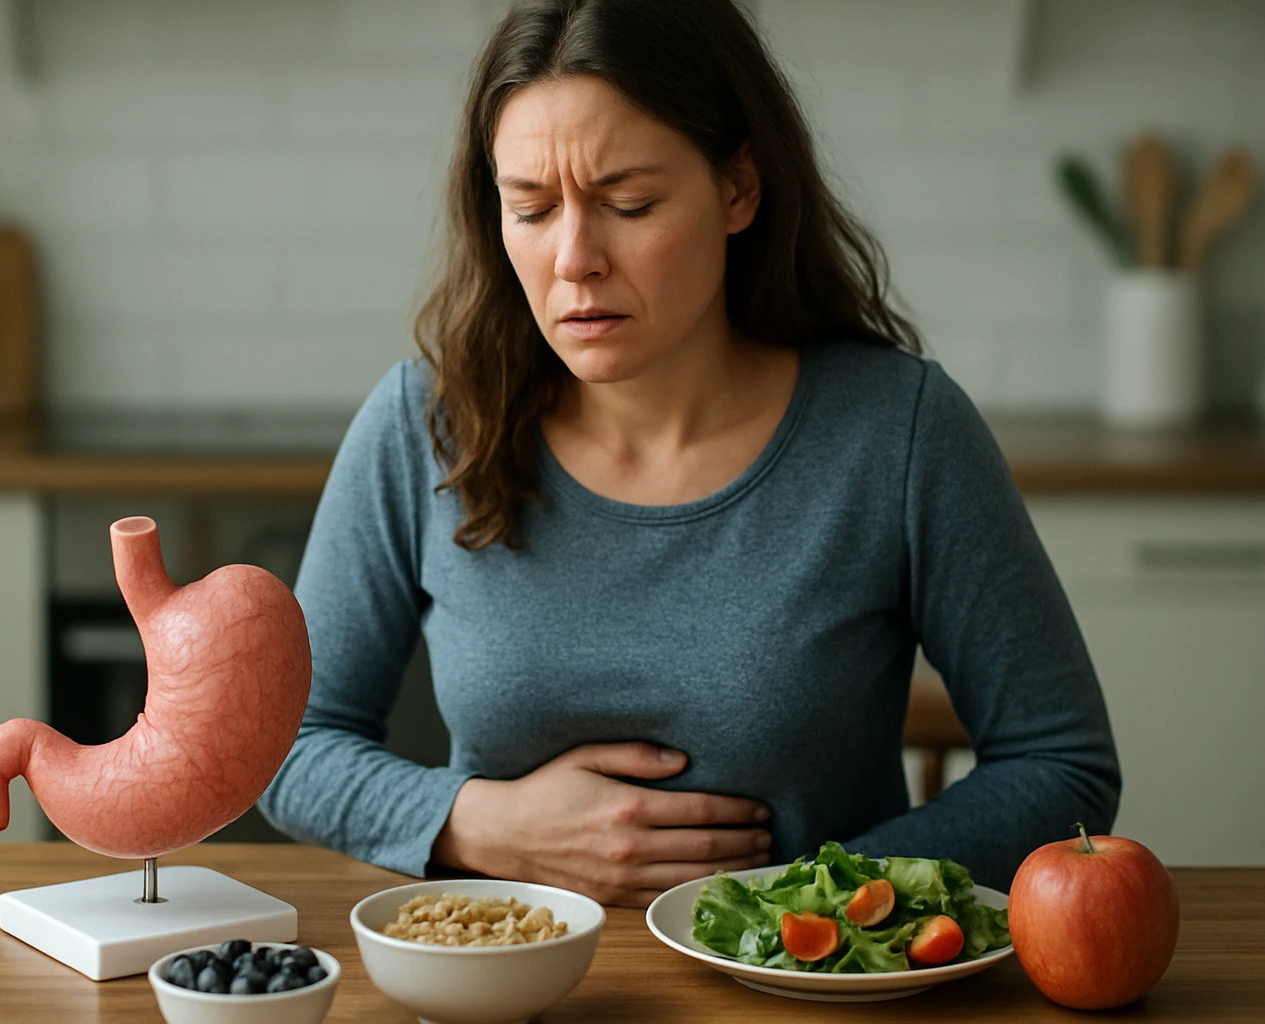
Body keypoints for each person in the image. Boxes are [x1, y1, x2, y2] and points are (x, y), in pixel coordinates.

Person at [256, 0, 1120, 905]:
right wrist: (480, 824)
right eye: (533, 208)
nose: (575, 258)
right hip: (505, 982)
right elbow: (283, 748)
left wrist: (818, 903)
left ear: (739, 189)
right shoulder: (421, 424)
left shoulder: (899, 432)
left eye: (629, 203)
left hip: (806, 998)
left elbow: (1061, 767)